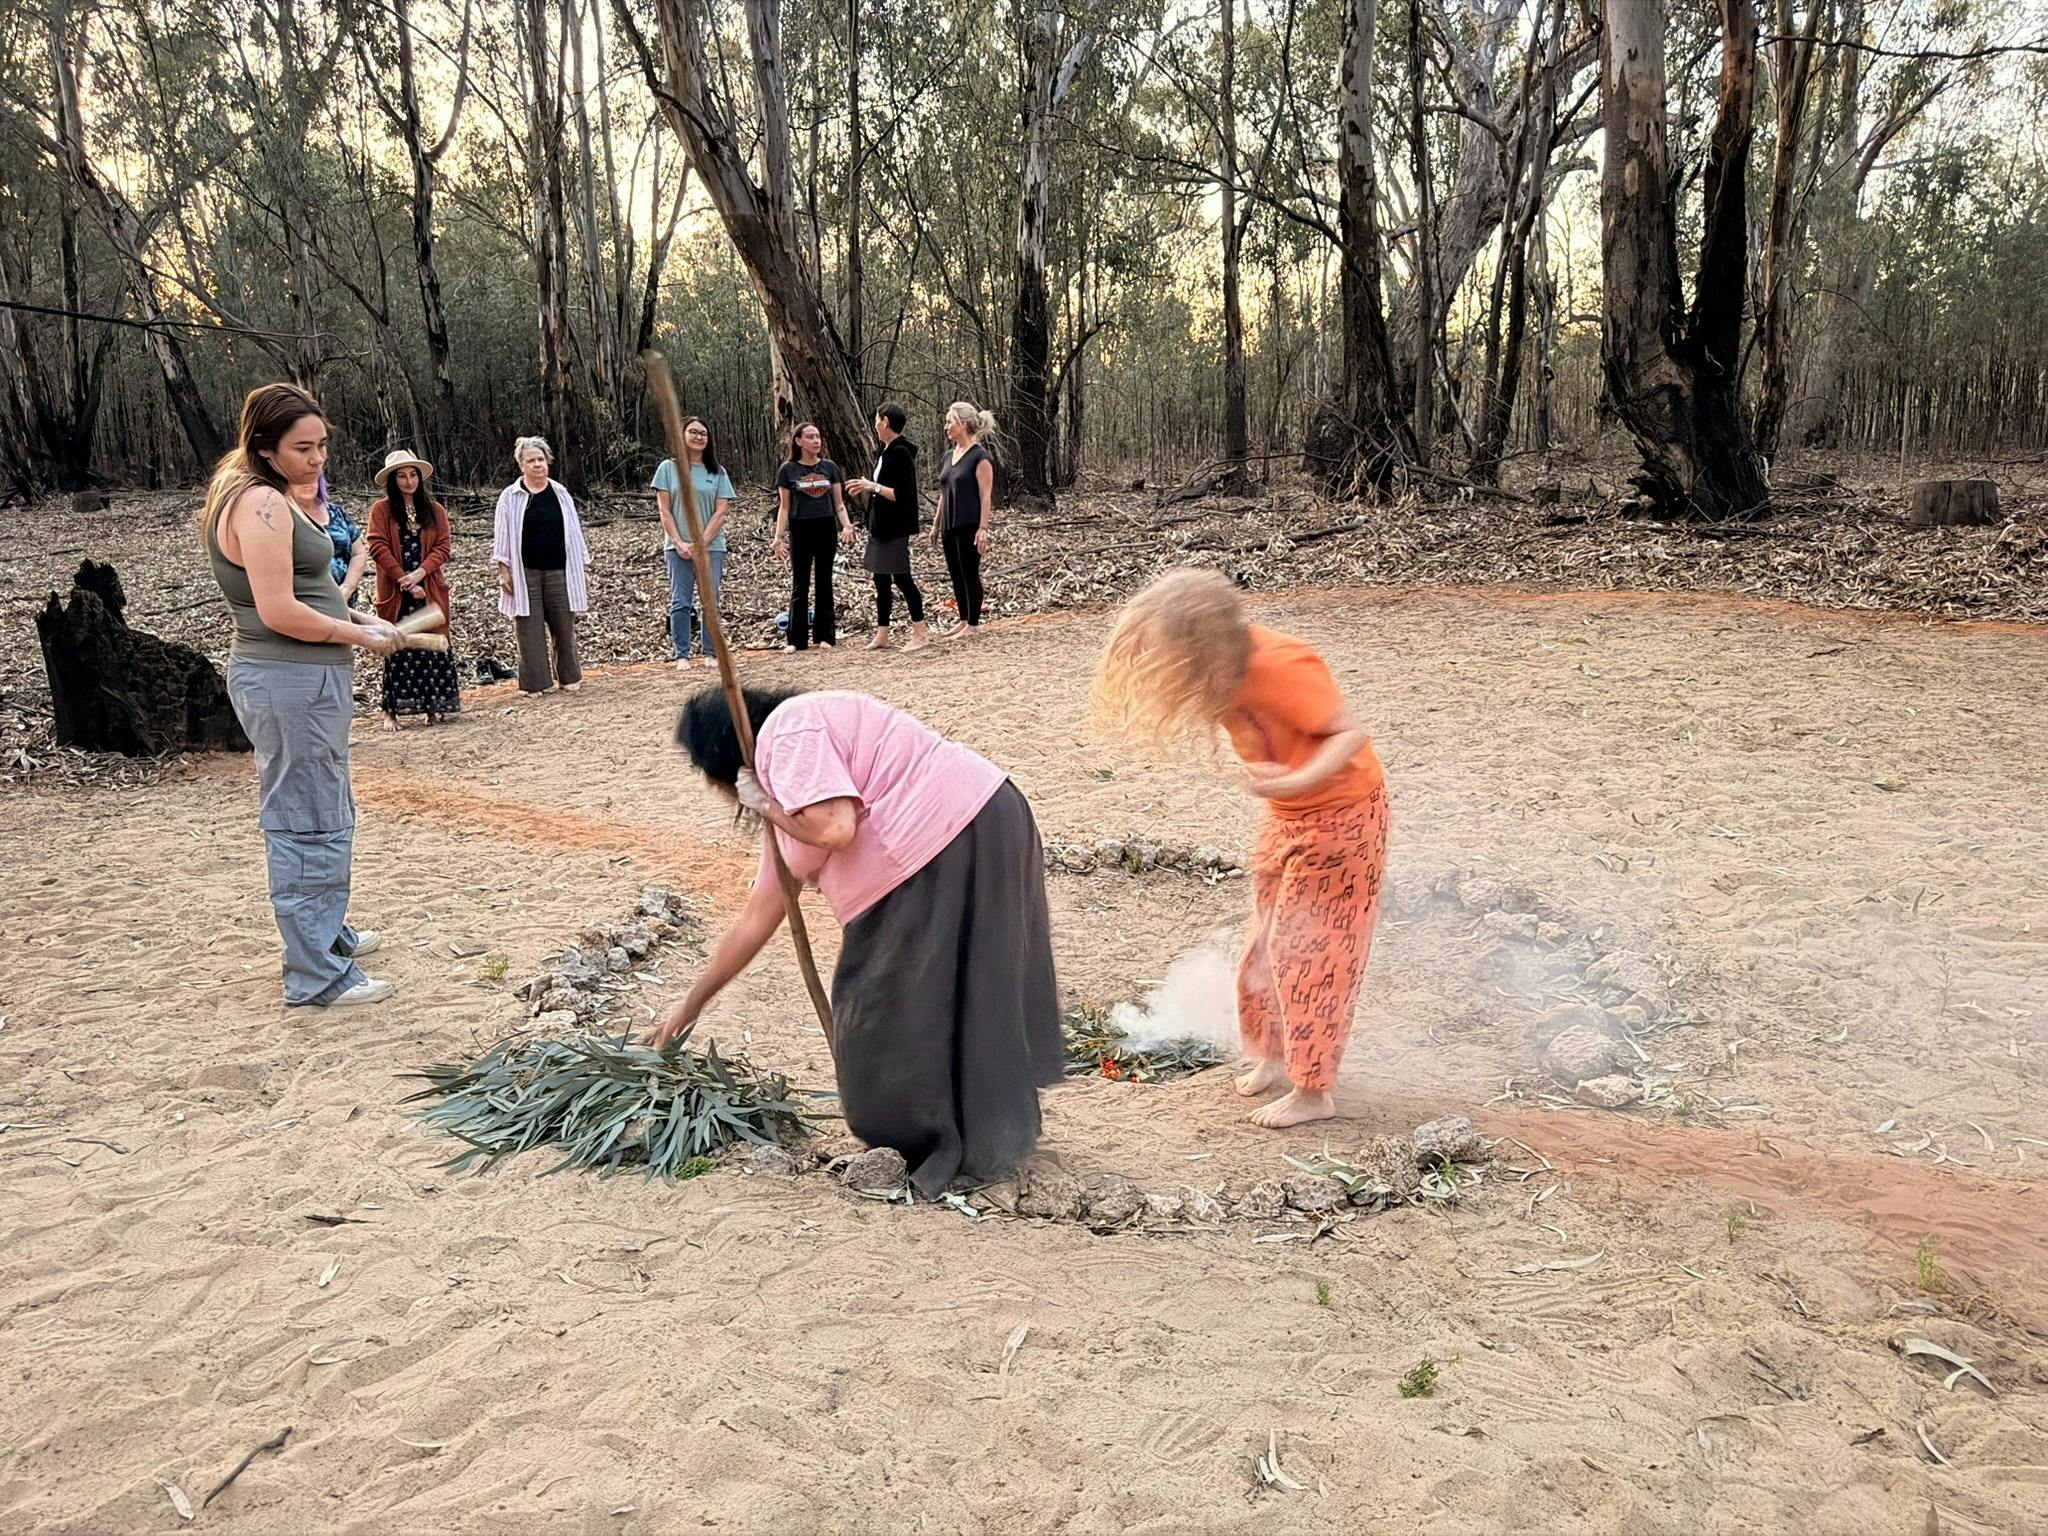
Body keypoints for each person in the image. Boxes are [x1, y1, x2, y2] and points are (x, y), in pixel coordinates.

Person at [644, 686, 1063, 1197]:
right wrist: (687, 1008)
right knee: (963, 992)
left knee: (881, 1011)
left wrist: (769, 804)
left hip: (938, 843)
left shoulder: (790, 729)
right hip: (983, 822)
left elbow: (838, 828)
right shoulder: (792, 795)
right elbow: (757, 918)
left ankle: (940, 1146)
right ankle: (987, 1141)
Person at [1091, 569, 1389, 1129]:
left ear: (1204, 641)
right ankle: (1274, 1059)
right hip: (1288, 816)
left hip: (1343, 817)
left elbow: (1350, 734)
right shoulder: (1219, 673)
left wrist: (1297, 780)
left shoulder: (1282, 663)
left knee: (1311, 953)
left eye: (1174, 648)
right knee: (1263, 946)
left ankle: (1313, 1090)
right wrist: (1280, 785)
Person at [201, 383, 403, 1008]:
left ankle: (326, 935)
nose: (318, 460)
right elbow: (279, 609)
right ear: (264, 446)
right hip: (289, 678)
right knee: (306, 819)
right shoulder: (258, 503)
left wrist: (360, 619)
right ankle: (315, 974)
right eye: (303, 448)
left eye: (322, 446)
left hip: (306, 677)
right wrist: (357, 636)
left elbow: (308, 591)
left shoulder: (265, 494)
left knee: (324, 805)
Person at [491, 435, 594, 694]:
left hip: (560, 569)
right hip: (526, 572)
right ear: (521, 466)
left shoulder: (560, 493)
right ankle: (537, 683)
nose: (537, 465)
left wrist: (583, 568)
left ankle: (569, 678)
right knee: (529, 628)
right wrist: (504, 571)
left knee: (564, 625)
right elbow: (502, 536)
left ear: (548, 462)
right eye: (531, 460)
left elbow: (574, 532)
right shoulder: (510, 497)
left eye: (541, 459)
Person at [366, 448, 461, 727]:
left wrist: (420, 573)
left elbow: (443, 547)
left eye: (412, 475)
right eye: (401, 476)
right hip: (397, 591)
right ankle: (391, 711)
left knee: (433, 644)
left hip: (428, 585)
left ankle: (433, 707)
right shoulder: (381, 510)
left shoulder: (435, 510)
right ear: (392, 481)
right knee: (398, 645)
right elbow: (377, 546)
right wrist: (403, 579)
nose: (408, 481)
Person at [845, 402, 930, 652]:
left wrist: (872, 486)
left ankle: (920, 632)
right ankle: (882, 634)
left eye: (876, 420)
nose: (874, 425)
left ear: (885, 422)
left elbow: (902, 495)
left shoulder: (901, 453)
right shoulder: (885, 451)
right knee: (880, 579)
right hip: (880, 526)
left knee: (902, 579)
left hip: (895, 527)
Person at [651, 417, 734, 671]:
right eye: (693, 432)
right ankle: (682, 654)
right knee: (680, 600)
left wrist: (701, 543)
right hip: (677, 548)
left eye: (703, 433)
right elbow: (664, 510)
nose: (699, 437)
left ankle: (710, 652)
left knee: (711, 599)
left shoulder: (717, 471)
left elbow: (721, 512)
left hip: (711, 547)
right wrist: (679, 542)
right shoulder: (667, 468)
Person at [772, 423, 854, 652]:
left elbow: (839, 504)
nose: (816, 441)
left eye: (818, 436)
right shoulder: (788, 470)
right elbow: (784, 507)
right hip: (800, 528)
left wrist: (846, 525)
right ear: (798, 441)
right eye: (810, 437)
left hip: (825, 526)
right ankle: (796, 640)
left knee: (824, 581)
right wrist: (778, 537)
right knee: (800, 583)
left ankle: (824, 636)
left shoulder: (829, 467)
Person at [931, 400, 996, 639]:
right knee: (955, 573)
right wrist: (937, 524)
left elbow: (986, 495)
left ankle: (973, 625)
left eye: (950, 422)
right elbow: (943, 492)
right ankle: (963, 619)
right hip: (950, 522)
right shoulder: (949, 455)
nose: (946, 426)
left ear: (964, 424)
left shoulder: (980, 457)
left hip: (969, 522)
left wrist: (983, 528)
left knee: (969, 572)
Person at [319, 473, 368, 607]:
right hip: (309, 608)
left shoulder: (336, 512)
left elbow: (359, 553)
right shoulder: (282, 516)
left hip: (346, 603)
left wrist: (347, 588)